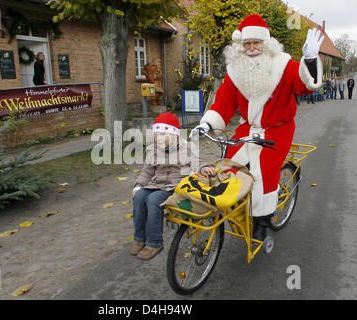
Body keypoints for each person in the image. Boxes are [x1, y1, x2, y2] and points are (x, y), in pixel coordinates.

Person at [191, 15, 323, 241]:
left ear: (266, 43)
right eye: (247, 43)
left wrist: (310, 61)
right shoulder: (236, 70)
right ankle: (233, 202)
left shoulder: (284, 65)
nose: (252, 48)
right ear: (241, 46)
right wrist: (207, 123)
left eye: (256, 43)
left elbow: (304, 86)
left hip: (277, 129)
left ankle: (262, 220)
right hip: (248, 128)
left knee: (264, 171)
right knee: (228, 165)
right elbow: (224, 102)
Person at [131, 112, 196, 260]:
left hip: (175, 186)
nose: (158, 138)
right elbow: (146, 172)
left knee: (153, 200)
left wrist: (205, 168)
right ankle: (139, 238)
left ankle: (154, 243)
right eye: (156, 135)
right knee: (140, 197)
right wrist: (138, 186)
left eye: (162, 135)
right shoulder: (153, 150)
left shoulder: (187, 149)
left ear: (174, 136)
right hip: (156, 184)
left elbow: (198, 163)